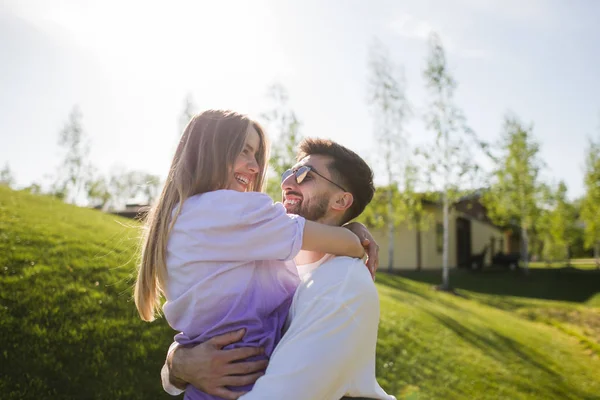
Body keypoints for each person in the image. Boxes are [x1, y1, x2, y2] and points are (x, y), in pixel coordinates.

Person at [134, 110, 376, 400]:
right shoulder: (234, 218)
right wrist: (354, 235)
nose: (257, 168)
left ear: (341, 199)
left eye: (303, 175)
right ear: (212, 151)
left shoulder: (339, 284)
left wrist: (178, 363)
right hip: (234, 382)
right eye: (244, 151)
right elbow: (346, 243)